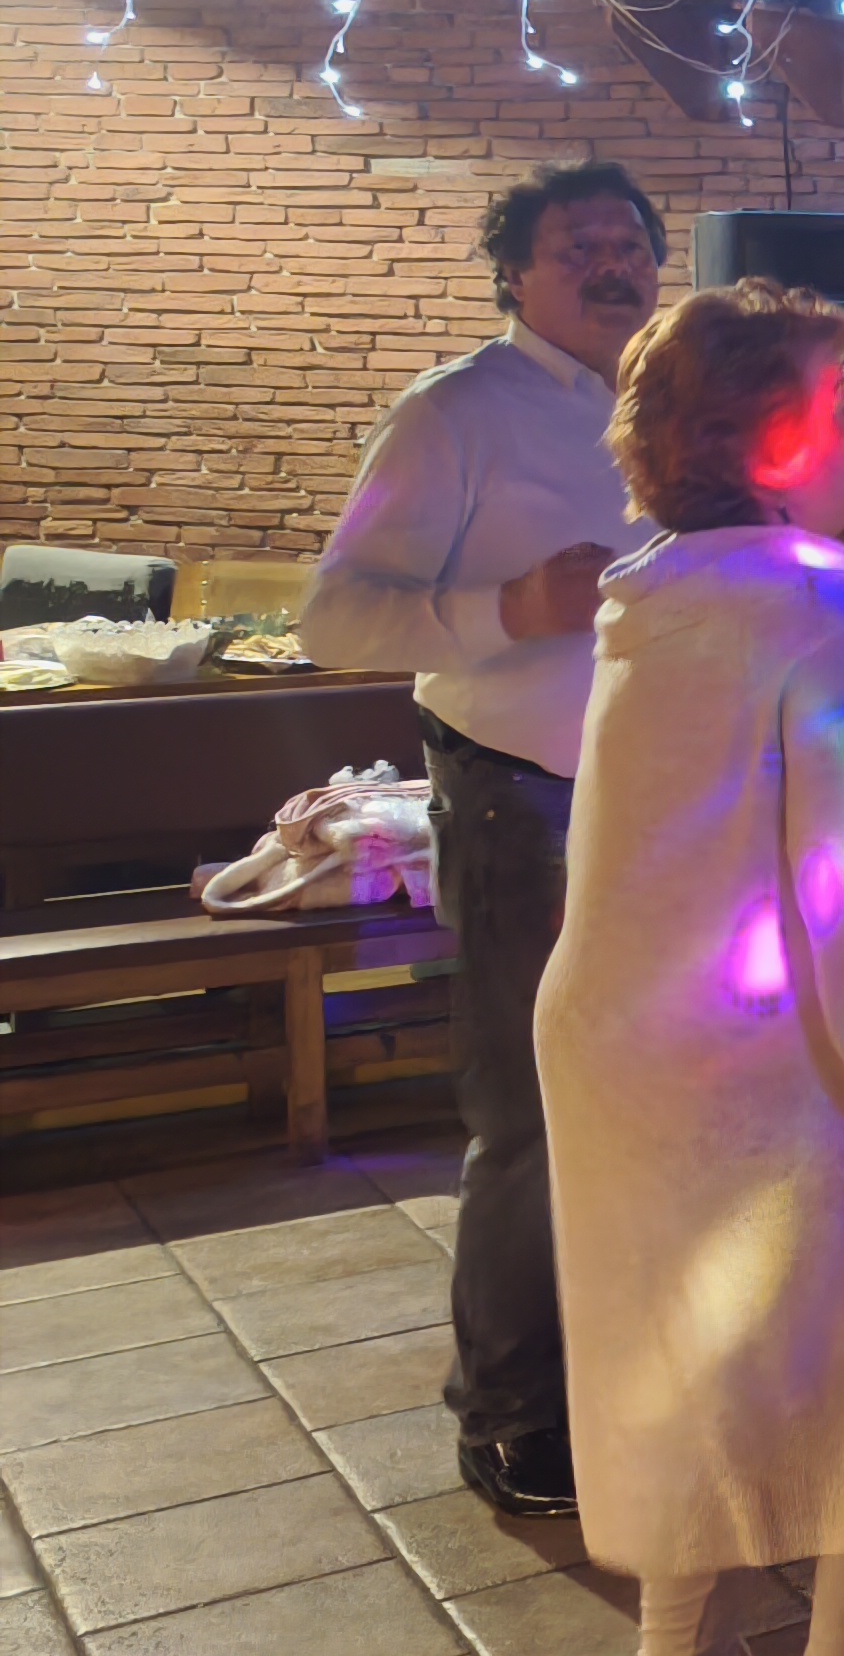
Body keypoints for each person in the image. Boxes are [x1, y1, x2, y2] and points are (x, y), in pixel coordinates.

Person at [542, 281, 844, 1656]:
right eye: (842, 399)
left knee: (691, 1402)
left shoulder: (665, 597)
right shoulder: (820, 611)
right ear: (766, 437)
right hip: (787, 1079)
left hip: (637, 1054)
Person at [303, 158, 665, 1519]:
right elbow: (334, 619)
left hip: (661, 798)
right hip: (520, 799)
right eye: (581, 248)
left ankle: (621, 1377)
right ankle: (510, 1412)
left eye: (631, 245)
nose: (614, 266)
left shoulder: (669, 404)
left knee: (647, 1104)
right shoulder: (454, 413)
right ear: (513, 273)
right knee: (529, 1117)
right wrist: (513, 607)